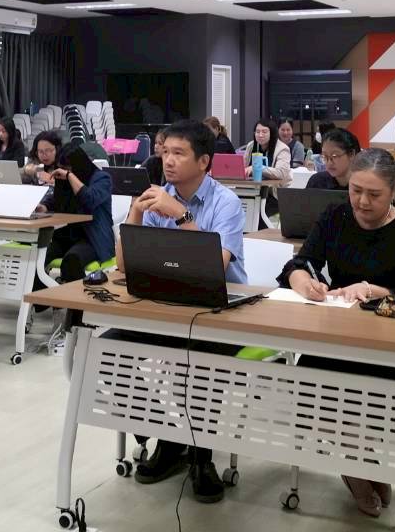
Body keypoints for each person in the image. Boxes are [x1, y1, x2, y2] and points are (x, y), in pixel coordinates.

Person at [278, 149, 395, 516]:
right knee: (309, 386)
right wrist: (302, 280)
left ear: (393, 192)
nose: (362, 202)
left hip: (391, 349)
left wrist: (376, 290)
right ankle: (358, 459)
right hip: (336, 341)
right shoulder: (335, 216)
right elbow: (300, 262)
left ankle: (355, 459)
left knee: (379, 398)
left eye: (374, 194)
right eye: (355, 191)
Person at [115, 119, 245, 503]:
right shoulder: (158, 196)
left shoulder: (226, 202)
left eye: (178, 153)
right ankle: (170, 438)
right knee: (108, 350)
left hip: (221, 312)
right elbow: (123, 267)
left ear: (204, 161)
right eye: (165, 152)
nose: (168, 160)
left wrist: (181, 215)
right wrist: (135, 214)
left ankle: (202, 457)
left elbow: (215, 266)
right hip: (166, 306)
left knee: (200, 361)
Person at [36, 142, 114, 282]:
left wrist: (70, 176)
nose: (64, 173)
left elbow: (89, 199)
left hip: (92, 239)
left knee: (72, 260)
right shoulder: (65, 179)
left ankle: (78, 296)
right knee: (37, 257)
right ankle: (43, 294)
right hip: (65, 236)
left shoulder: (102, 178)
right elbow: (57, 199)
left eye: (68, 169)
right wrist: (45, 206)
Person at [241, 118, 290, 182]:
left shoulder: (282, 148)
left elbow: (281, 173)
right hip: (252, 184)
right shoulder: (251, 145)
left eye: (264, 132)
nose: (260, 135)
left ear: (272, 133)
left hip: (274, 186)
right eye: (257, 132)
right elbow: (243, 167)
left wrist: (258, 168)